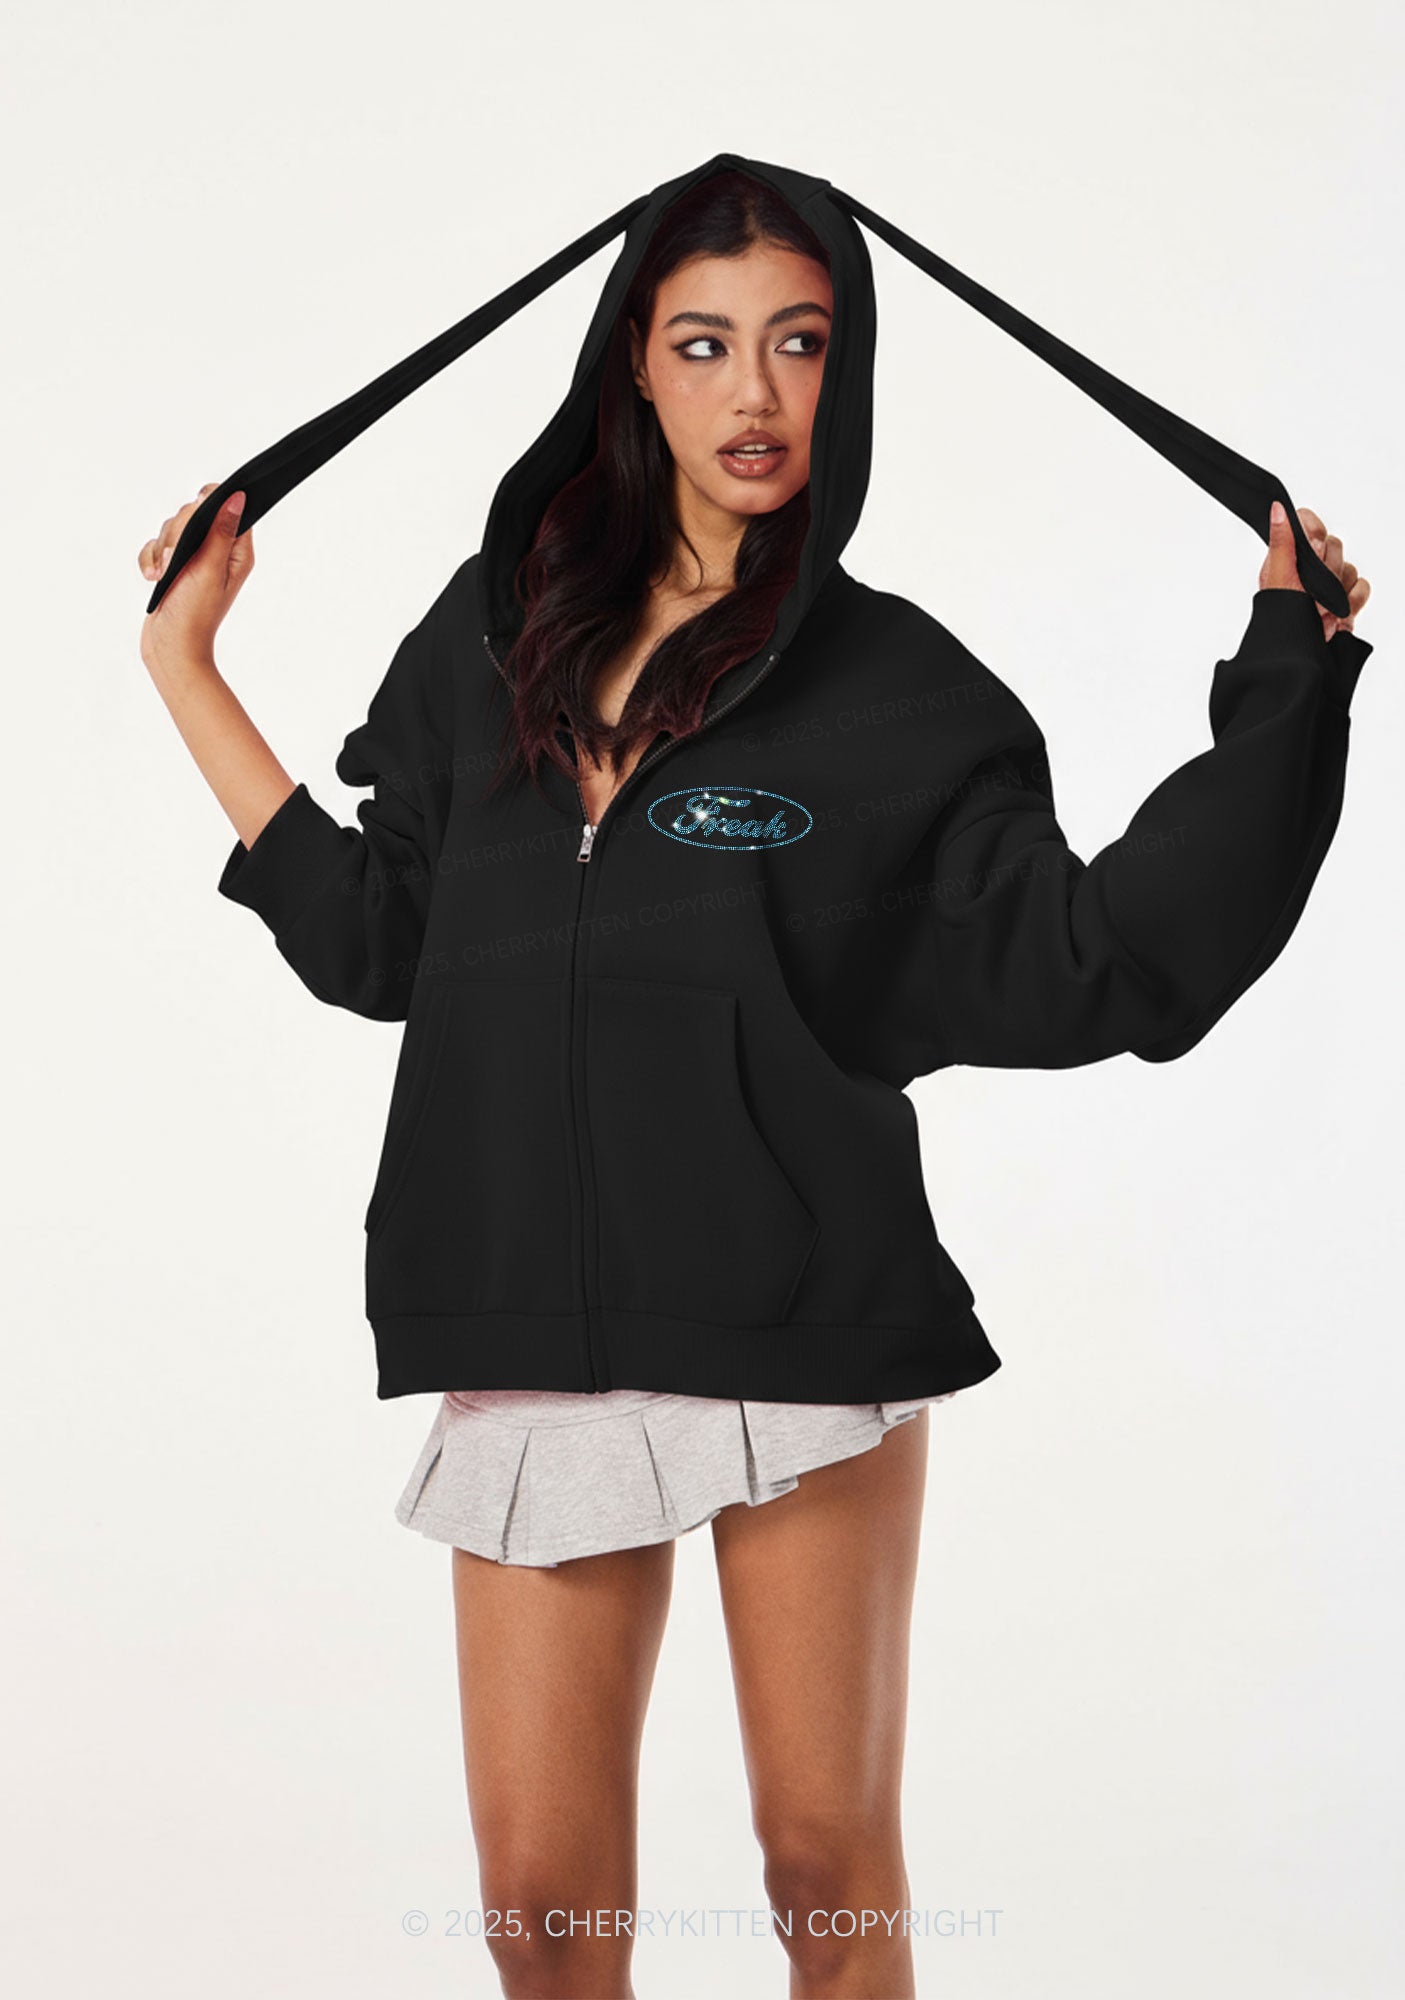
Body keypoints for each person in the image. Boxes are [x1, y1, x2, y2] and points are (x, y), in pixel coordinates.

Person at [137, 160, 1371, 2000]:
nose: (755, 394)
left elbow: (1097, 956)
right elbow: (379, 944)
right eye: (705, 344)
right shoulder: (485, 649)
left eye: (798, 343)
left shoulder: (899, 695)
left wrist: (1291, 684)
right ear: (634, 362)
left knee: (822, 1873)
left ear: (842, 367)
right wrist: (185, 667)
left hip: (803, 1322)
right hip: (523, 1313)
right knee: (542, 1914)